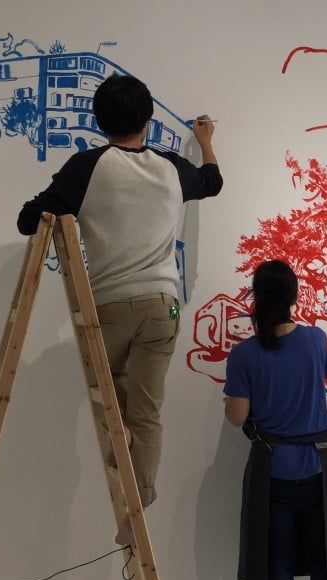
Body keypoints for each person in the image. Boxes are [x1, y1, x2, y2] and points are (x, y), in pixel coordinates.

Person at [17, 74, 222, 545]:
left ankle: (118, 437)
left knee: (109, 400)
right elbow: (212, 182)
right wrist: (206, 142)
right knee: (146, 412)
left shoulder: (87, 167)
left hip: (107, 306)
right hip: (162, 306)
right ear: (147, 121)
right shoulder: (172, 167)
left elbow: (31, 218)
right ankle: (137, 513)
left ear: (97, 120)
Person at [223, 260, 327, 580]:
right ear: (295, 297)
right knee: (324, 556)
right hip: (318, 460)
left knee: (275, 560)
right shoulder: (317, 340)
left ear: (256, 300)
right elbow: (321, 380)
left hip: (273, 467)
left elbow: (237, 418)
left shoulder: (244, 354)